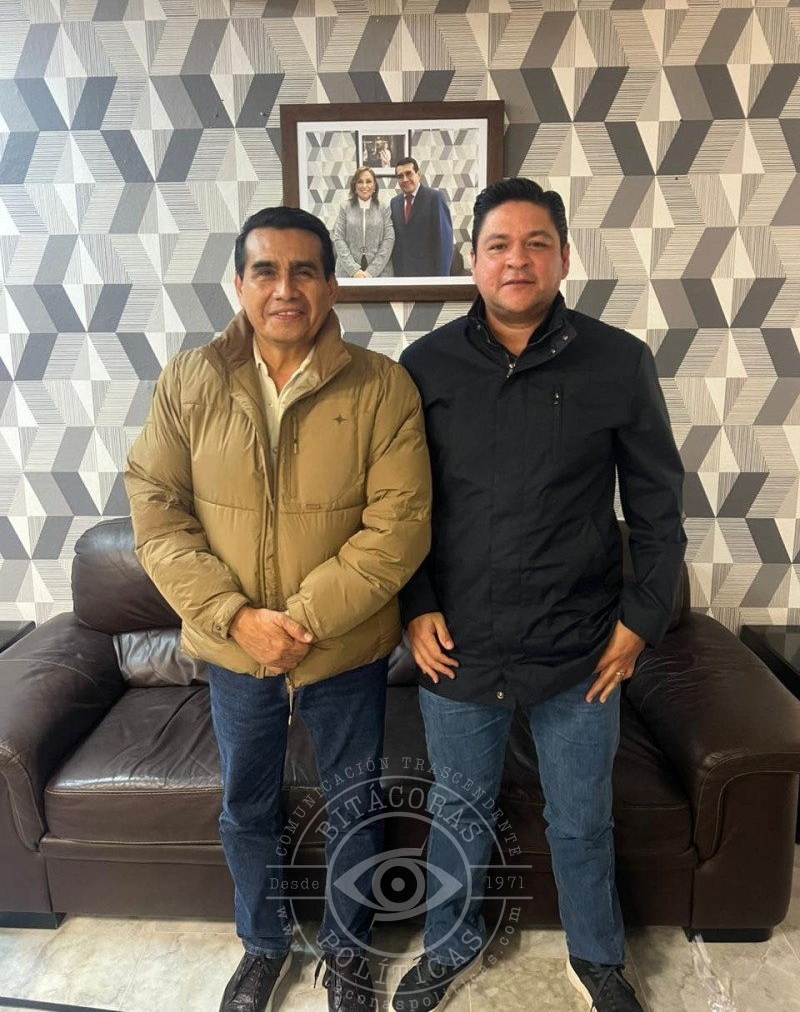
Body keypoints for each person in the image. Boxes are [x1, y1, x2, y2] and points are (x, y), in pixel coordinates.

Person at [125, 206, 431, 1012]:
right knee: (245, 807)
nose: (285, 288)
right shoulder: (189, 381)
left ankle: (351, 953)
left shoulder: (382, 386)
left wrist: (299, 621)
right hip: (235, 653)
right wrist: (237, 618)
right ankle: (264, 944)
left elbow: (399, 527)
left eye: (304, 271)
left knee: (356, 804)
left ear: (332, 287)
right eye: (266, 270)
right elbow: (156, 511)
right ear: (240, 283)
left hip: (344, 651)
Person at [392, 178, 685, 1012]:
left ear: (563, 257)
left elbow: (658, 508)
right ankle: (451, 946)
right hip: (460, 644)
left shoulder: (618, 361)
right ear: (472, 259)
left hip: (581, 646)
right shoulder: (425, 367)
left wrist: (640, 620)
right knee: (457, 813)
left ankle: (597, 958)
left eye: (536, 243)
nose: (516, 260)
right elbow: (400, 507)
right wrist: (414, 604)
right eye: (498, 245)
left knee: (582, 821)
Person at [390, 157, 454, 277]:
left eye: (409, 173)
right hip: (401, 276)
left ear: (418, 175)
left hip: (429, 277)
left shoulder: (435, 198)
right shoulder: (394, 203)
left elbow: (444, 243)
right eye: (400, 176)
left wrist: (442, 281)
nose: (405, 179)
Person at [332, 166, 394, 279]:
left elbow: (389, 239)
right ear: (355, 186)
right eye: (360, 182)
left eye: (368, 181)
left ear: (374, 186)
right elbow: (338, 238)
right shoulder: (344, 207)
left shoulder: (384, 208)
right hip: (347, 272)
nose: (364, 185)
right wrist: (354, 270)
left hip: (380, 273)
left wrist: (372, 271)